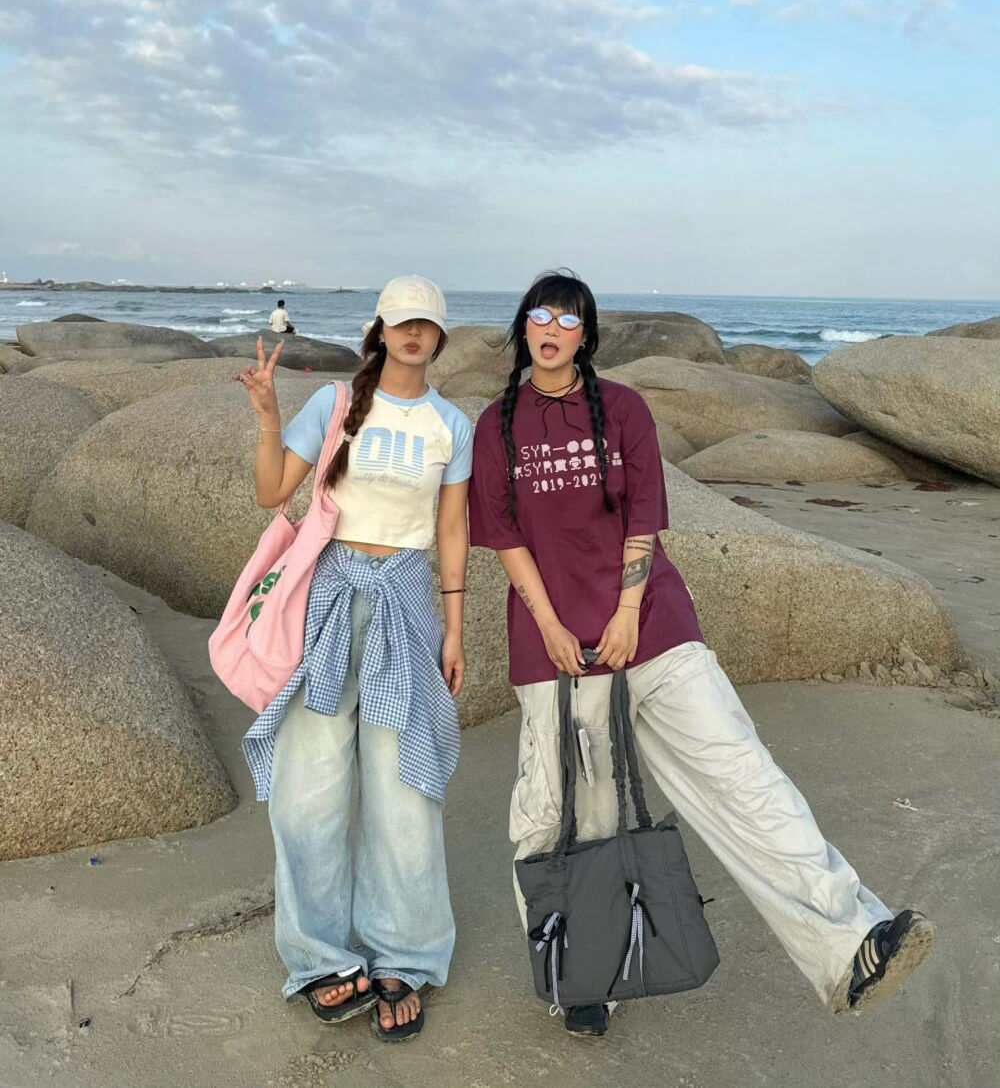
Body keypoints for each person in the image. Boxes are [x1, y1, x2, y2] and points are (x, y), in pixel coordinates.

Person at [468, 270, 934, 1039]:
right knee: (568, 813)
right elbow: (506, 537)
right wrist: (550, 625)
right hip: (557, 651)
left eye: (569, 319)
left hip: (652, 629)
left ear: (586, 336)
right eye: (541, 315)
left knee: (742, 774)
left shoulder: (624, 409)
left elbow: (643, 519)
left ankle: (852, 941)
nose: (552, 328)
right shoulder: (497, 426)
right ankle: (584, 978)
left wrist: (625, 612)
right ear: (524, 327)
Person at [233, 274, 472, 1042]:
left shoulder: (450, 425)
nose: (413, 334)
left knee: (406, 789)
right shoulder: (335, 403)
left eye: (425, 324)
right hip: (330, 597)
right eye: (401, 322)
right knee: (310, 787)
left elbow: (453, 530)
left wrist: (455, 628)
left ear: (439, 335)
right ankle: (319, 956)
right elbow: (272, 490)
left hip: (406, 601)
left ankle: (405, 952)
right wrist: (268, 416)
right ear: (380, 329)